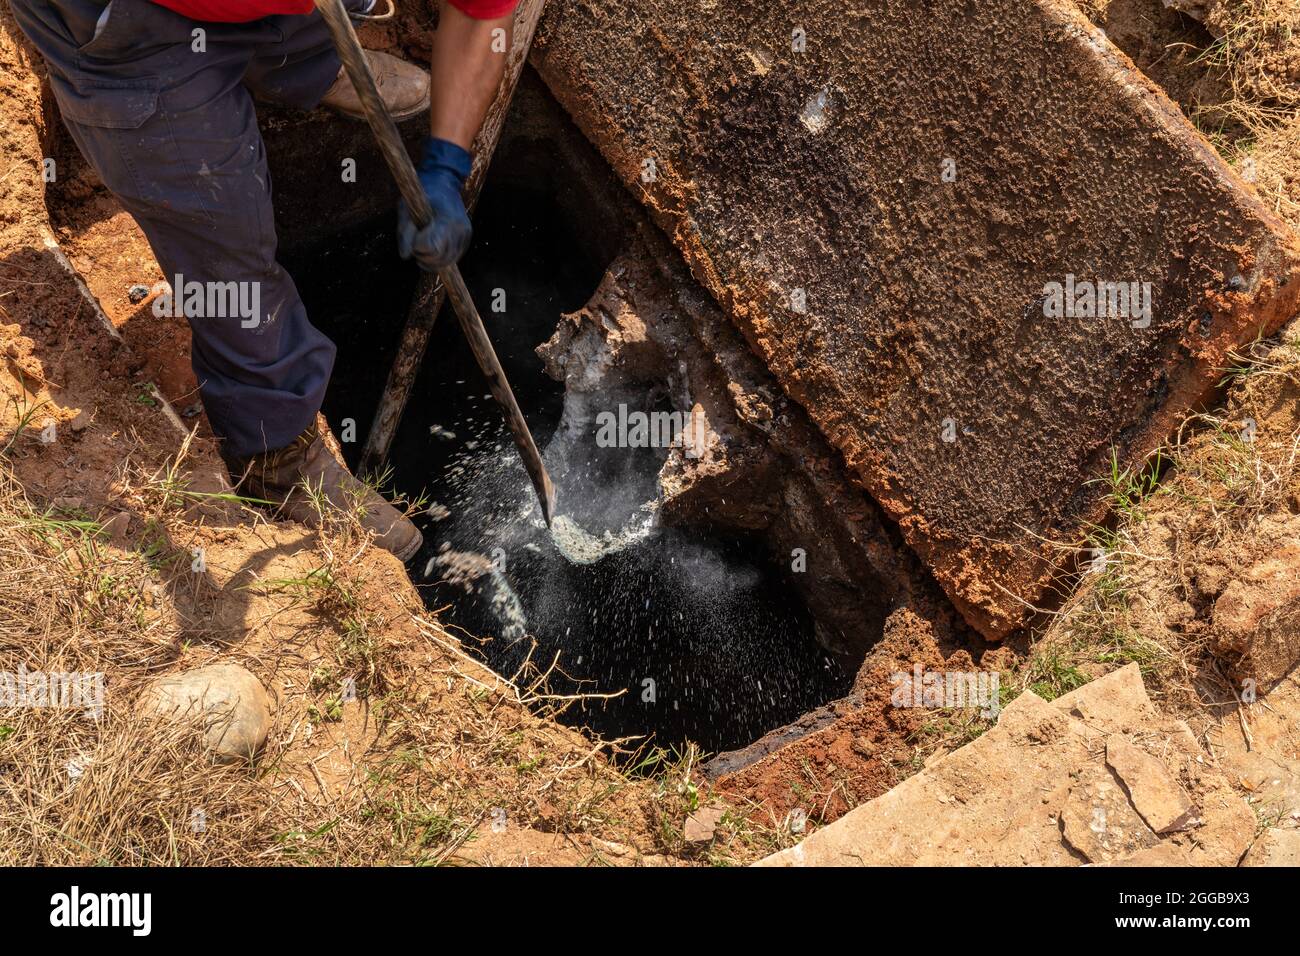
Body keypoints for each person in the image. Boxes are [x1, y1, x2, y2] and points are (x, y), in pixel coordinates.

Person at [10, 0, 520, 560]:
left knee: (306, 14)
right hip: (129, 26)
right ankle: (274, 455)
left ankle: (295, 55)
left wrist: (447, 163)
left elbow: (480, 18)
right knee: (223, 234)